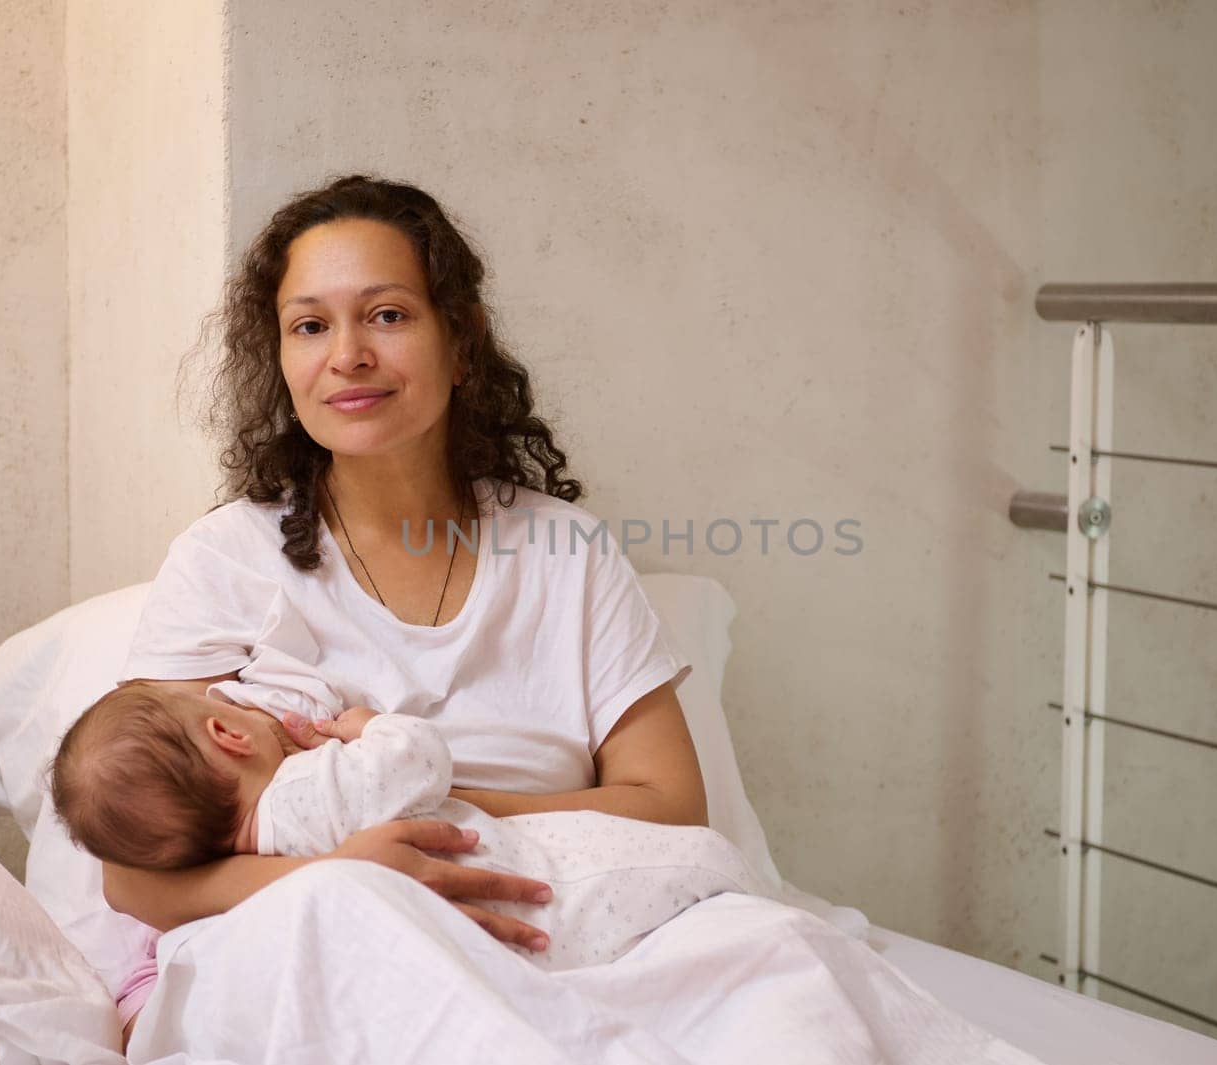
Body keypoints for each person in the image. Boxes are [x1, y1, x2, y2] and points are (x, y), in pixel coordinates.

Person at [103, 173, 709, 1042]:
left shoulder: (565, 550)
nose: (347, 354)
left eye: (387, 315)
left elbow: (670, 806)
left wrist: (426, 806)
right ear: (282, 362)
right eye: (310, 326)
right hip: (323, 942)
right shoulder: (224, 558)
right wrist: (353, 871)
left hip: (571, 930)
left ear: (461, 344)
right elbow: (132, 881)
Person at [54, 680, 768, 972]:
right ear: (227, 732)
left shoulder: (244, 858)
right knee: (668, 870)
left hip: (469, 939)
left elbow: (135, 861)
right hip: (532, 880)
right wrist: (365, 729)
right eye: (233, 700)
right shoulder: (305, 788)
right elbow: (417, 757)